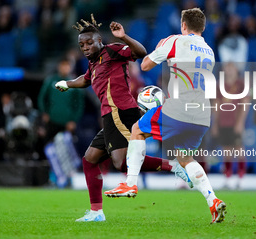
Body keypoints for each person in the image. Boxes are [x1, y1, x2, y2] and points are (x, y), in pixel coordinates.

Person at [55, 14, 192, 222]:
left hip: (122, 112)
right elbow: (85, 81)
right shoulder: (94, 64)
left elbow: (141, 52)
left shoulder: (113, 50)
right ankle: (96, 212)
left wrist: (123, 36)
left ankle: (173, 166)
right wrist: (67, 83)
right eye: (82, 44)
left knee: (122, 163)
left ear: (100, 41)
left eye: (89, 42)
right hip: (111, 115)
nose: (85, 47)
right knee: (90, 159)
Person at [105, 8, 227, 224]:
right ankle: (213, 201)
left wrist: (161, 48)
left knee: (137, 130)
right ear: (203, 28)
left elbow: (145, 64)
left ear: (183, 25)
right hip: (201, 115)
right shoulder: (209, 51)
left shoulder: (175, 40)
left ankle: (131, 183)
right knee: (184, 157)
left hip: (179, 107)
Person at [211, 62, 250, 189]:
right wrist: (215, 124)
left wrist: (240, 122)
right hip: (223, 122)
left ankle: (241, 177)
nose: (229, 70)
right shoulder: (219, 85)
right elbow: (216, 105)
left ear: (236, 69)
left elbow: (245, 103)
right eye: (227, 68)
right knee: (226, 151)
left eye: (231, 67)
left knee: (239, 149)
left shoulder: (241, 84)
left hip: (235, 122)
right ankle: (227, 177)